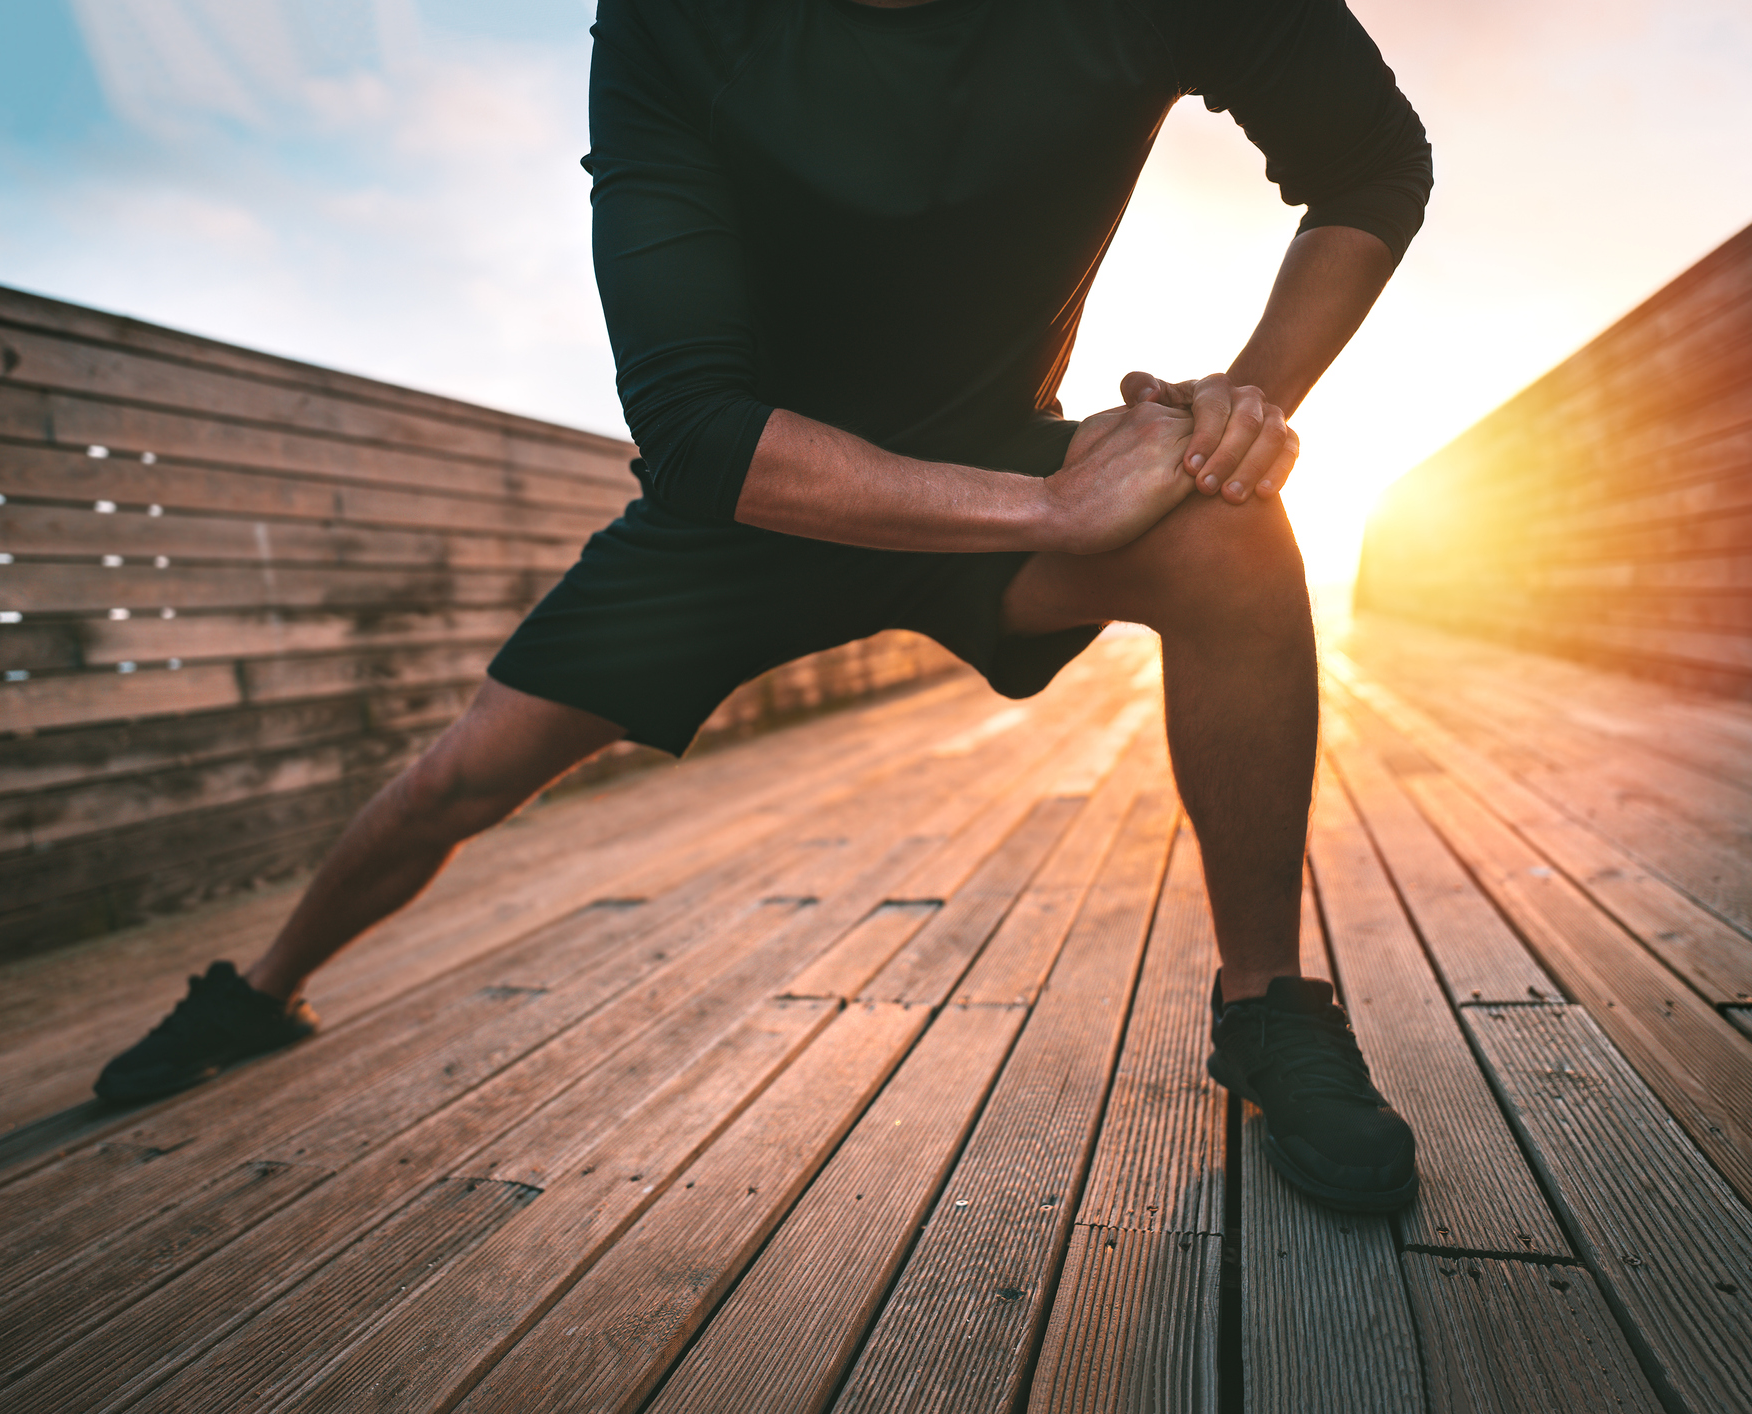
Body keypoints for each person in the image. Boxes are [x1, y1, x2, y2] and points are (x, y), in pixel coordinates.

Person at [96, 0, 1432, 1214]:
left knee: (1227, 531)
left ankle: (1266, 1005)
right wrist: (1049, 511)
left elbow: (1368, 160)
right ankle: (261, 991)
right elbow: (693, 428)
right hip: (746, 497)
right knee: (459, 775)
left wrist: (1230, 415)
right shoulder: (672, 26)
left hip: (980, 448)